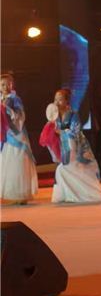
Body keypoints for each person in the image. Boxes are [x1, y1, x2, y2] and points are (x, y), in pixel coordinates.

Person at [48, 89, 101, 203]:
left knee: (65, 169)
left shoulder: (73, 114)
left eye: (60, 99)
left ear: (66, 101)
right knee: (65, 169)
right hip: (65, 146)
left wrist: (62, 132)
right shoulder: (56, 117)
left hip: (75, 145)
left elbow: (76, 131)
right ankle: (70, 194)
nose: (57, 102)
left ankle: (83, 193)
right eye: (55, 99)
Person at [0, 74, 38, 204]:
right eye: (2, 84)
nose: (5, 87)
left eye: (8, 84)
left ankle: (21, 194)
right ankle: (11, 194)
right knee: (6, 162)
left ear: (12, 85)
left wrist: (8, 110)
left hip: (16, 133)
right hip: (5, 135)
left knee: (18, 160)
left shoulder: (15, 99)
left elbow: (21, 115)